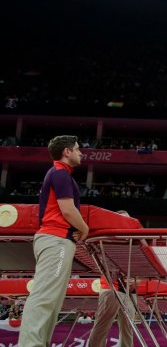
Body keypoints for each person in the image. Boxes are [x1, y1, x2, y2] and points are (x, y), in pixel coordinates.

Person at [18, 135, 88, 347]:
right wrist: (84, 228)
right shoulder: (60, 173)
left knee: (53, 300)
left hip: (56, 239)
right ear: (66, 152)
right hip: (55, 239)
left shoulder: (61, 174)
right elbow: (67, 209)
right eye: (77, 149)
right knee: (45, 297)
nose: (81, 153)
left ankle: (38, 343)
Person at [89, 210, 136, 347]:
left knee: (128, 328)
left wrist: (135, 281)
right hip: (110, 288)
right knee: (102, 326)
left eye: (128, 220)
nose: (126, 222)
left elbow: (137, 273)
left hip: (127, 291)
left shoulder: (133, 243)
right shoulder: (106, 239)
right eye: (122, 219)